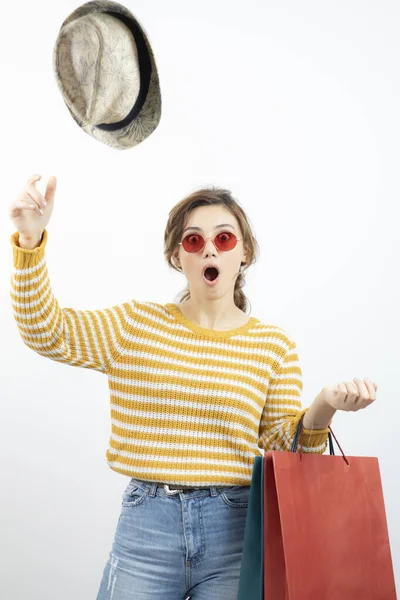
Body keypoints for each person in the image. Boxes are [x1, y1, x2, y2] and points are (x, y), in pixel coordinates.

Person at [8, 174, 377, 600]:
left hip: (234, 531)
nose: (209, 249)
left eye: (224, 239)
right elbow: (45, 331)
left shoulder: (272, 346)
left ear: (244, 253)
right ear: (175, 256)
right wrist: (30, 241)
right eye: (193, 240)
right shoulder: (135, 326)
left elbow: (286, 451)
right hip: (148, 525)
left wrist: (324, 406)